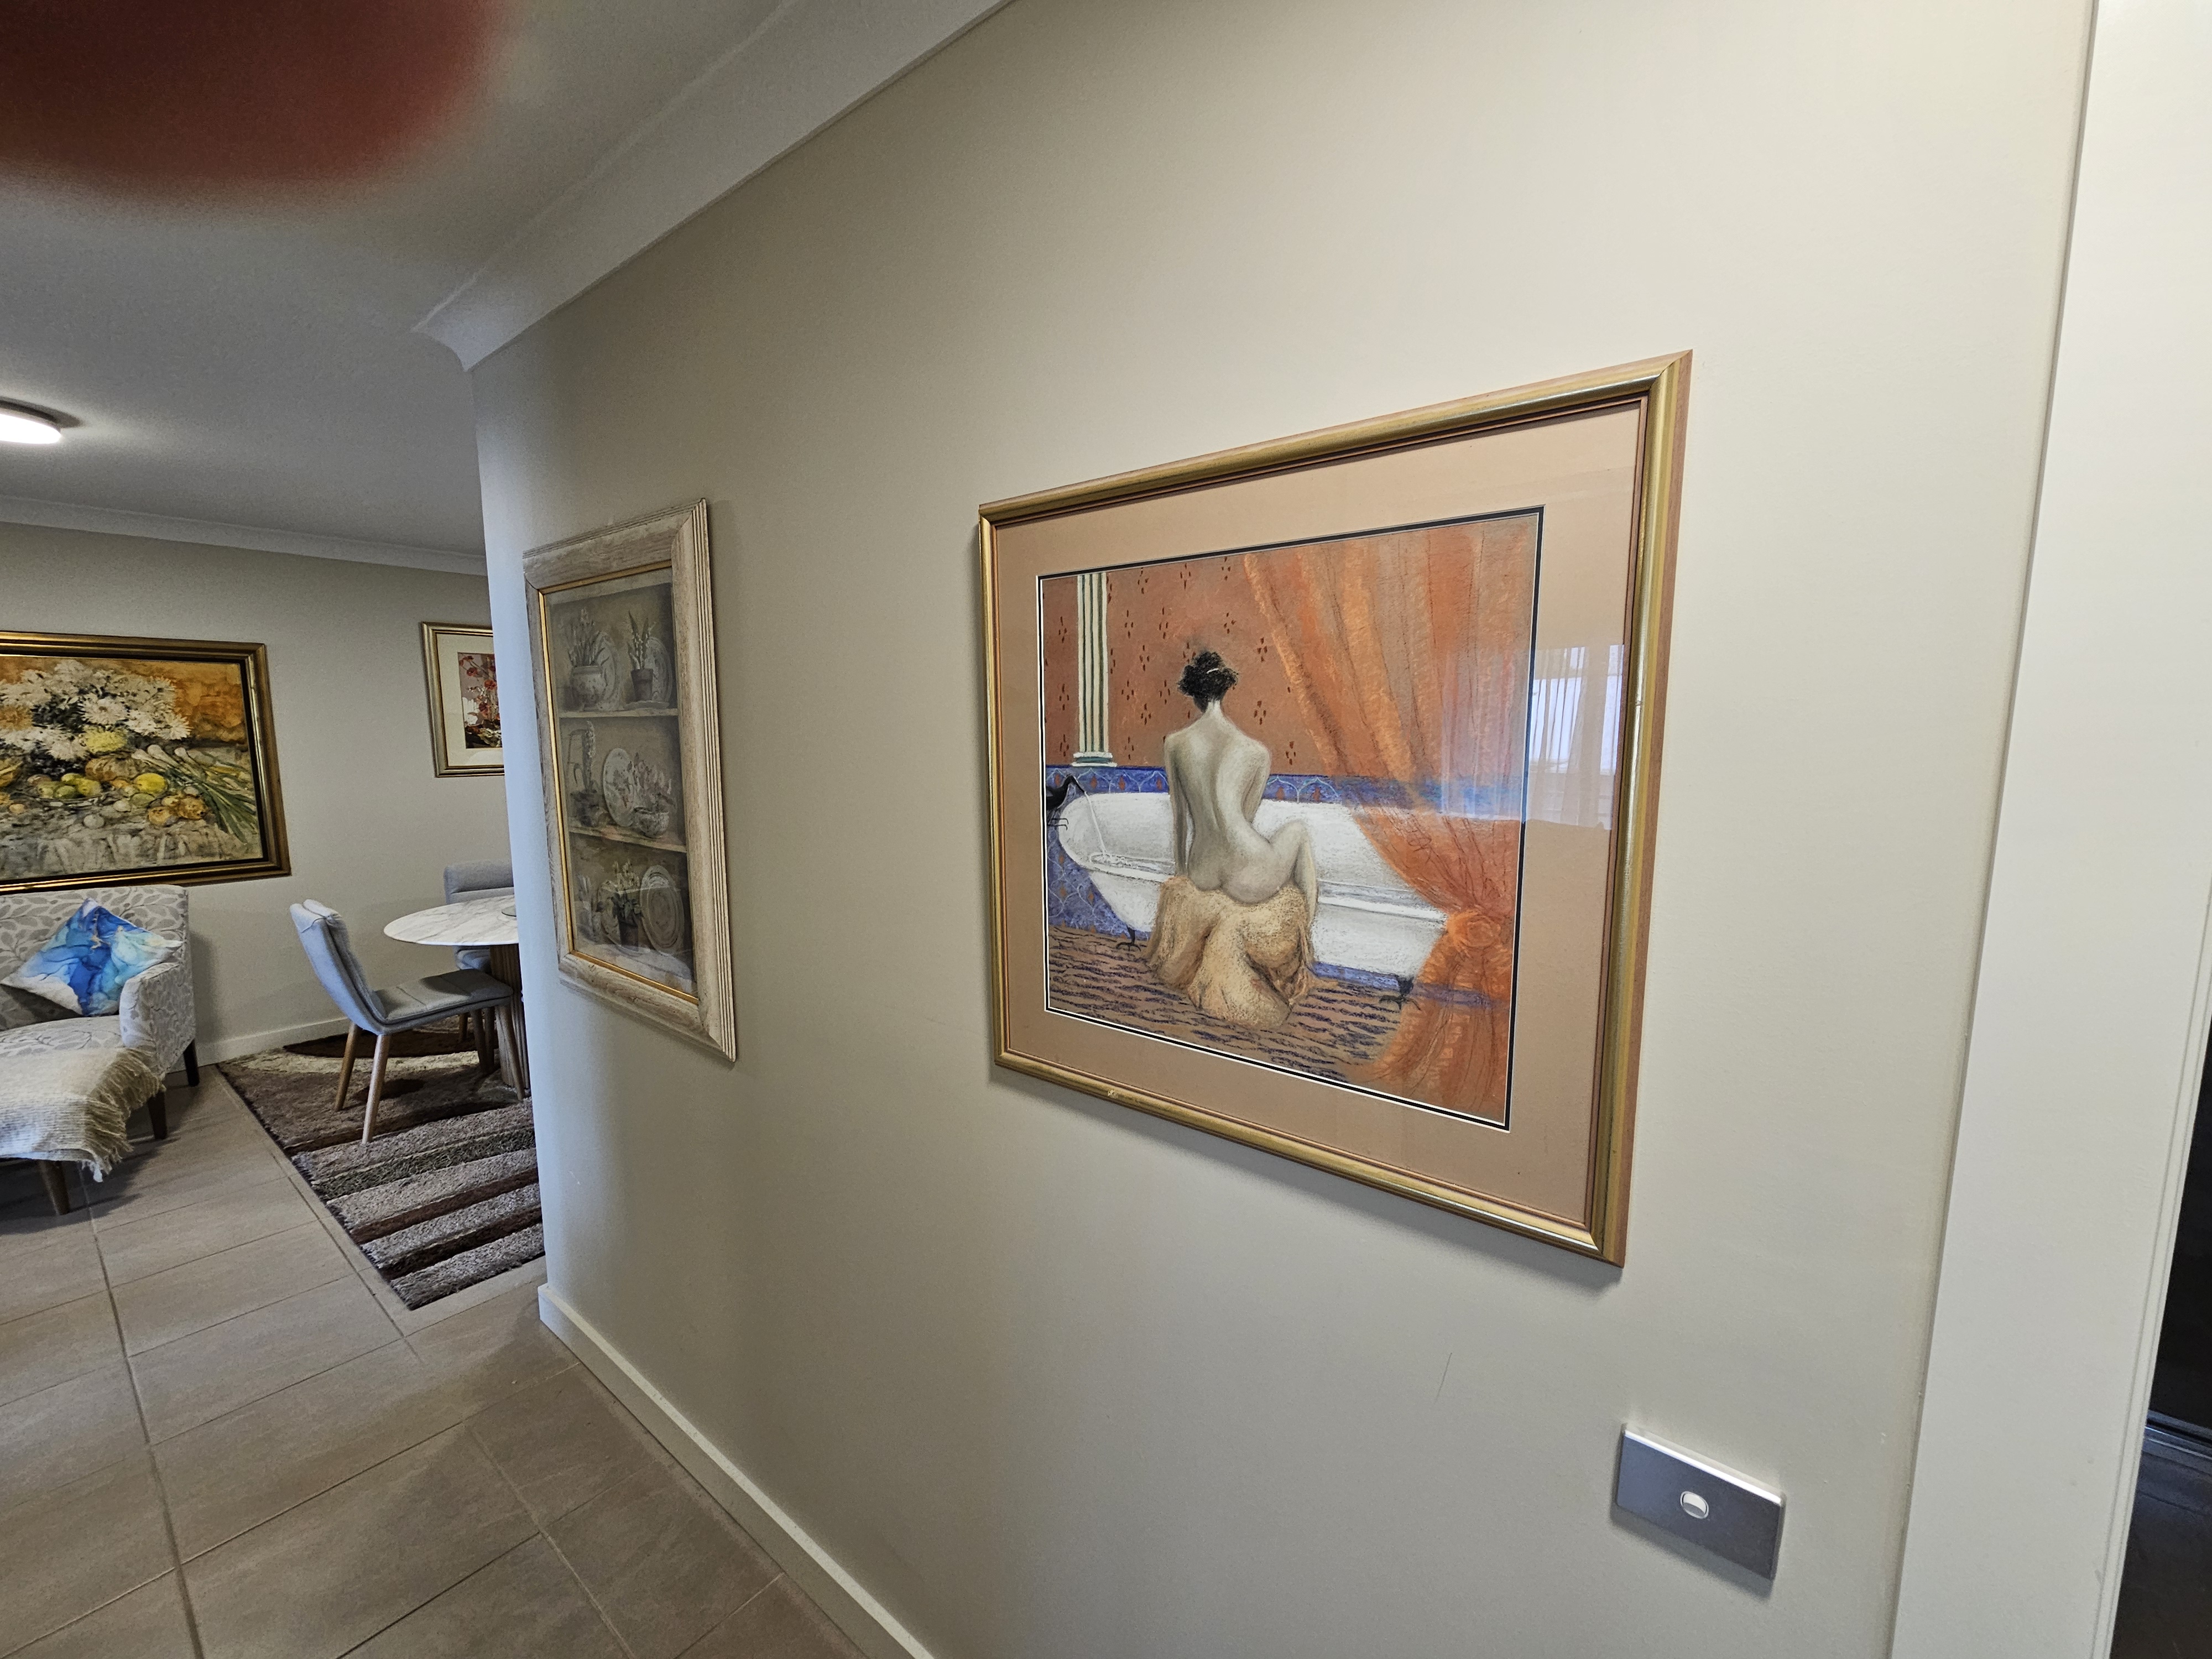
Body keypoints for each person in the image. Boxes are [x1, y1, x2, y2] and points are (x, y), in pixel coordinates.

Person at [1145, 651, 1318, 1029]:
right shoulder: (1255, 752)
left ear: (1193, 694)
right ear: (1225, 691)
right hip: (1247, 872)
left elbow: (1180, 817)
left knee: (1224, 841)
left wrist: (1183, 875)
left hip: (1202, 868)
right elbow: (1245, 821)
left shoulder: (1175, 743)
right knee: (1299, 833)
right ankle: (1305, 957)